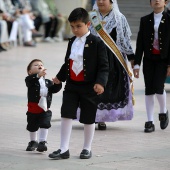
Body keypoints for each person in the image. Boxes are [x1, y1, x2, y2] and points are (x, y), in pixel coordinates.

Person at [48, 7, 109, 160]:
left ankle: (87, 148)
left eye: (78, 26)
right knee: (66, 114)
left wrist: (100, 83)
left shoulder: (97, 43)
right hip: (71, 85)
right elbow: (68, 62)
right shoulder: (71, 41)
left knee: (89, 117)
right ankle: (63, 149)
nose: (75, 30)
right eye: (72, 26)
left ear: (88, 24)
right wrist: (59, 77)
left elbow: (104, 66)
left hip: (89, 87)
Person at [89, 0, 135, 130]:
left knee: (108, 87)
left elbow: (125, 40)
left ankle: (102, 117)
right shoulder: (92, 16)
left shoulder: (119, 18)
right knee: (92, 86)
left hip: (112, 59)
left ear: (111, 2)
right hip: (94, 57)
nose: (101, 2)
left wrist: (132, 58)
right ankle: (92, 115)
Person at [133, 0, 170, 133]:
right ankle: (149, 121)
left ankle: (163, 111)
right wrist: (136, 64)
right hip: (149, 59)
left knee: (159, 87)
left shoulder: (169, 18)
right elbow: (140, 43)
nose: (156, 1)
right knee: (149, 89)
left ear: (166, 2)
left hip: (163, 60)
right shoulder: (145, 20)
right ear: (150, 3)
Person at [25, 59, 62, 152]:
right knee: (32, 125)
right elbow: (29, 82)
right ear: (30, 72)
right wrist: (37, 76)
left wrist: (58, 84)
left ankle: (42, 142)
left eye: (41, 65)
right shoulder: (30, 80)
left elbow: (54, 90)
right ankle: (33, 141)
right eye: (36, 65)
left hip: (45, 108)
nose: (39, 66)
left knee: (45, 124)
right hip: (33, 107)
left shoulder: (48, 82)